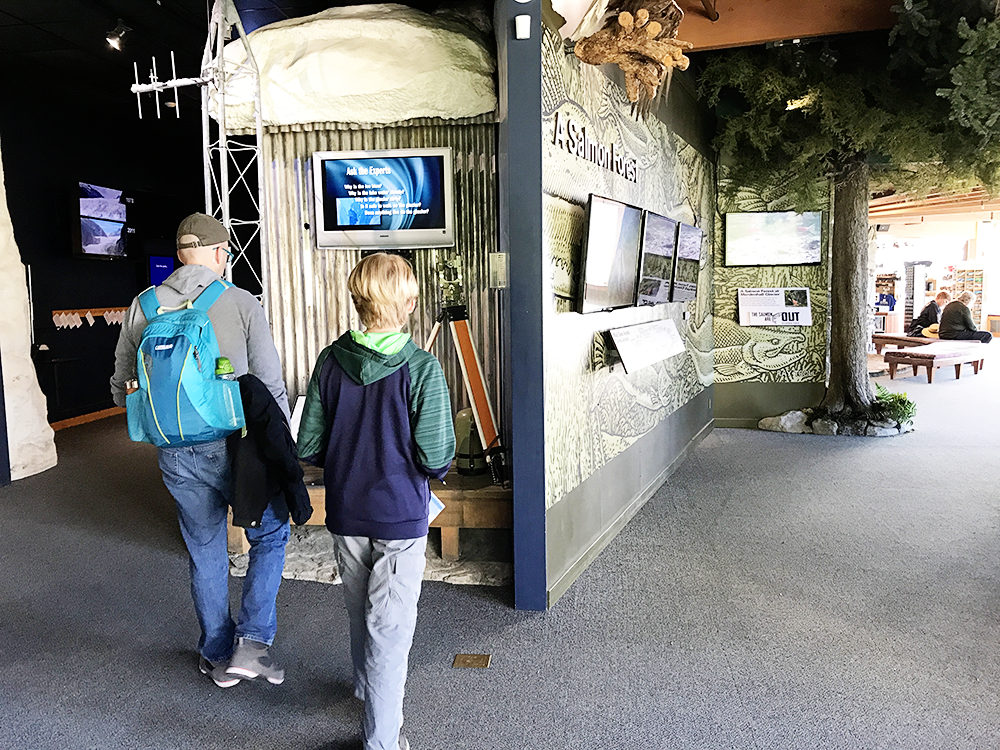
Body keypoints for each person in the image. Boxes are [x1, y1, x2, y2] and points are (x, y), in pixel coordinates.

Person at [110, 213, 291, 688]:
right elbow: (269, 385)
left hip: (173, 451)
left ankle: (215, 655)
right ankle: (252, 643)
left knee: (205, 548)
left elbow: (120, 389)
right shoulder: (239, 301)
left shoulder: (143, 304)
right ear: (219, 253)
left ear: (179, 253)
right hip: (237, 445)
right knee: (270, 534)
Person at [297, 253, 455, 750]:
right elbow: (437, 458)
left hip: (346, 510)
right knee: (390, 625)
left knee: (358, 606)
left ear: (358, 299)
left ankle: (367, 690)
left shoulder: (328, 360)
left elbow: (307, 447)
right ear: (406, 303)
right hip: (401, 516)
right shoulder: (422, 369)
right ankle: (383, 741)